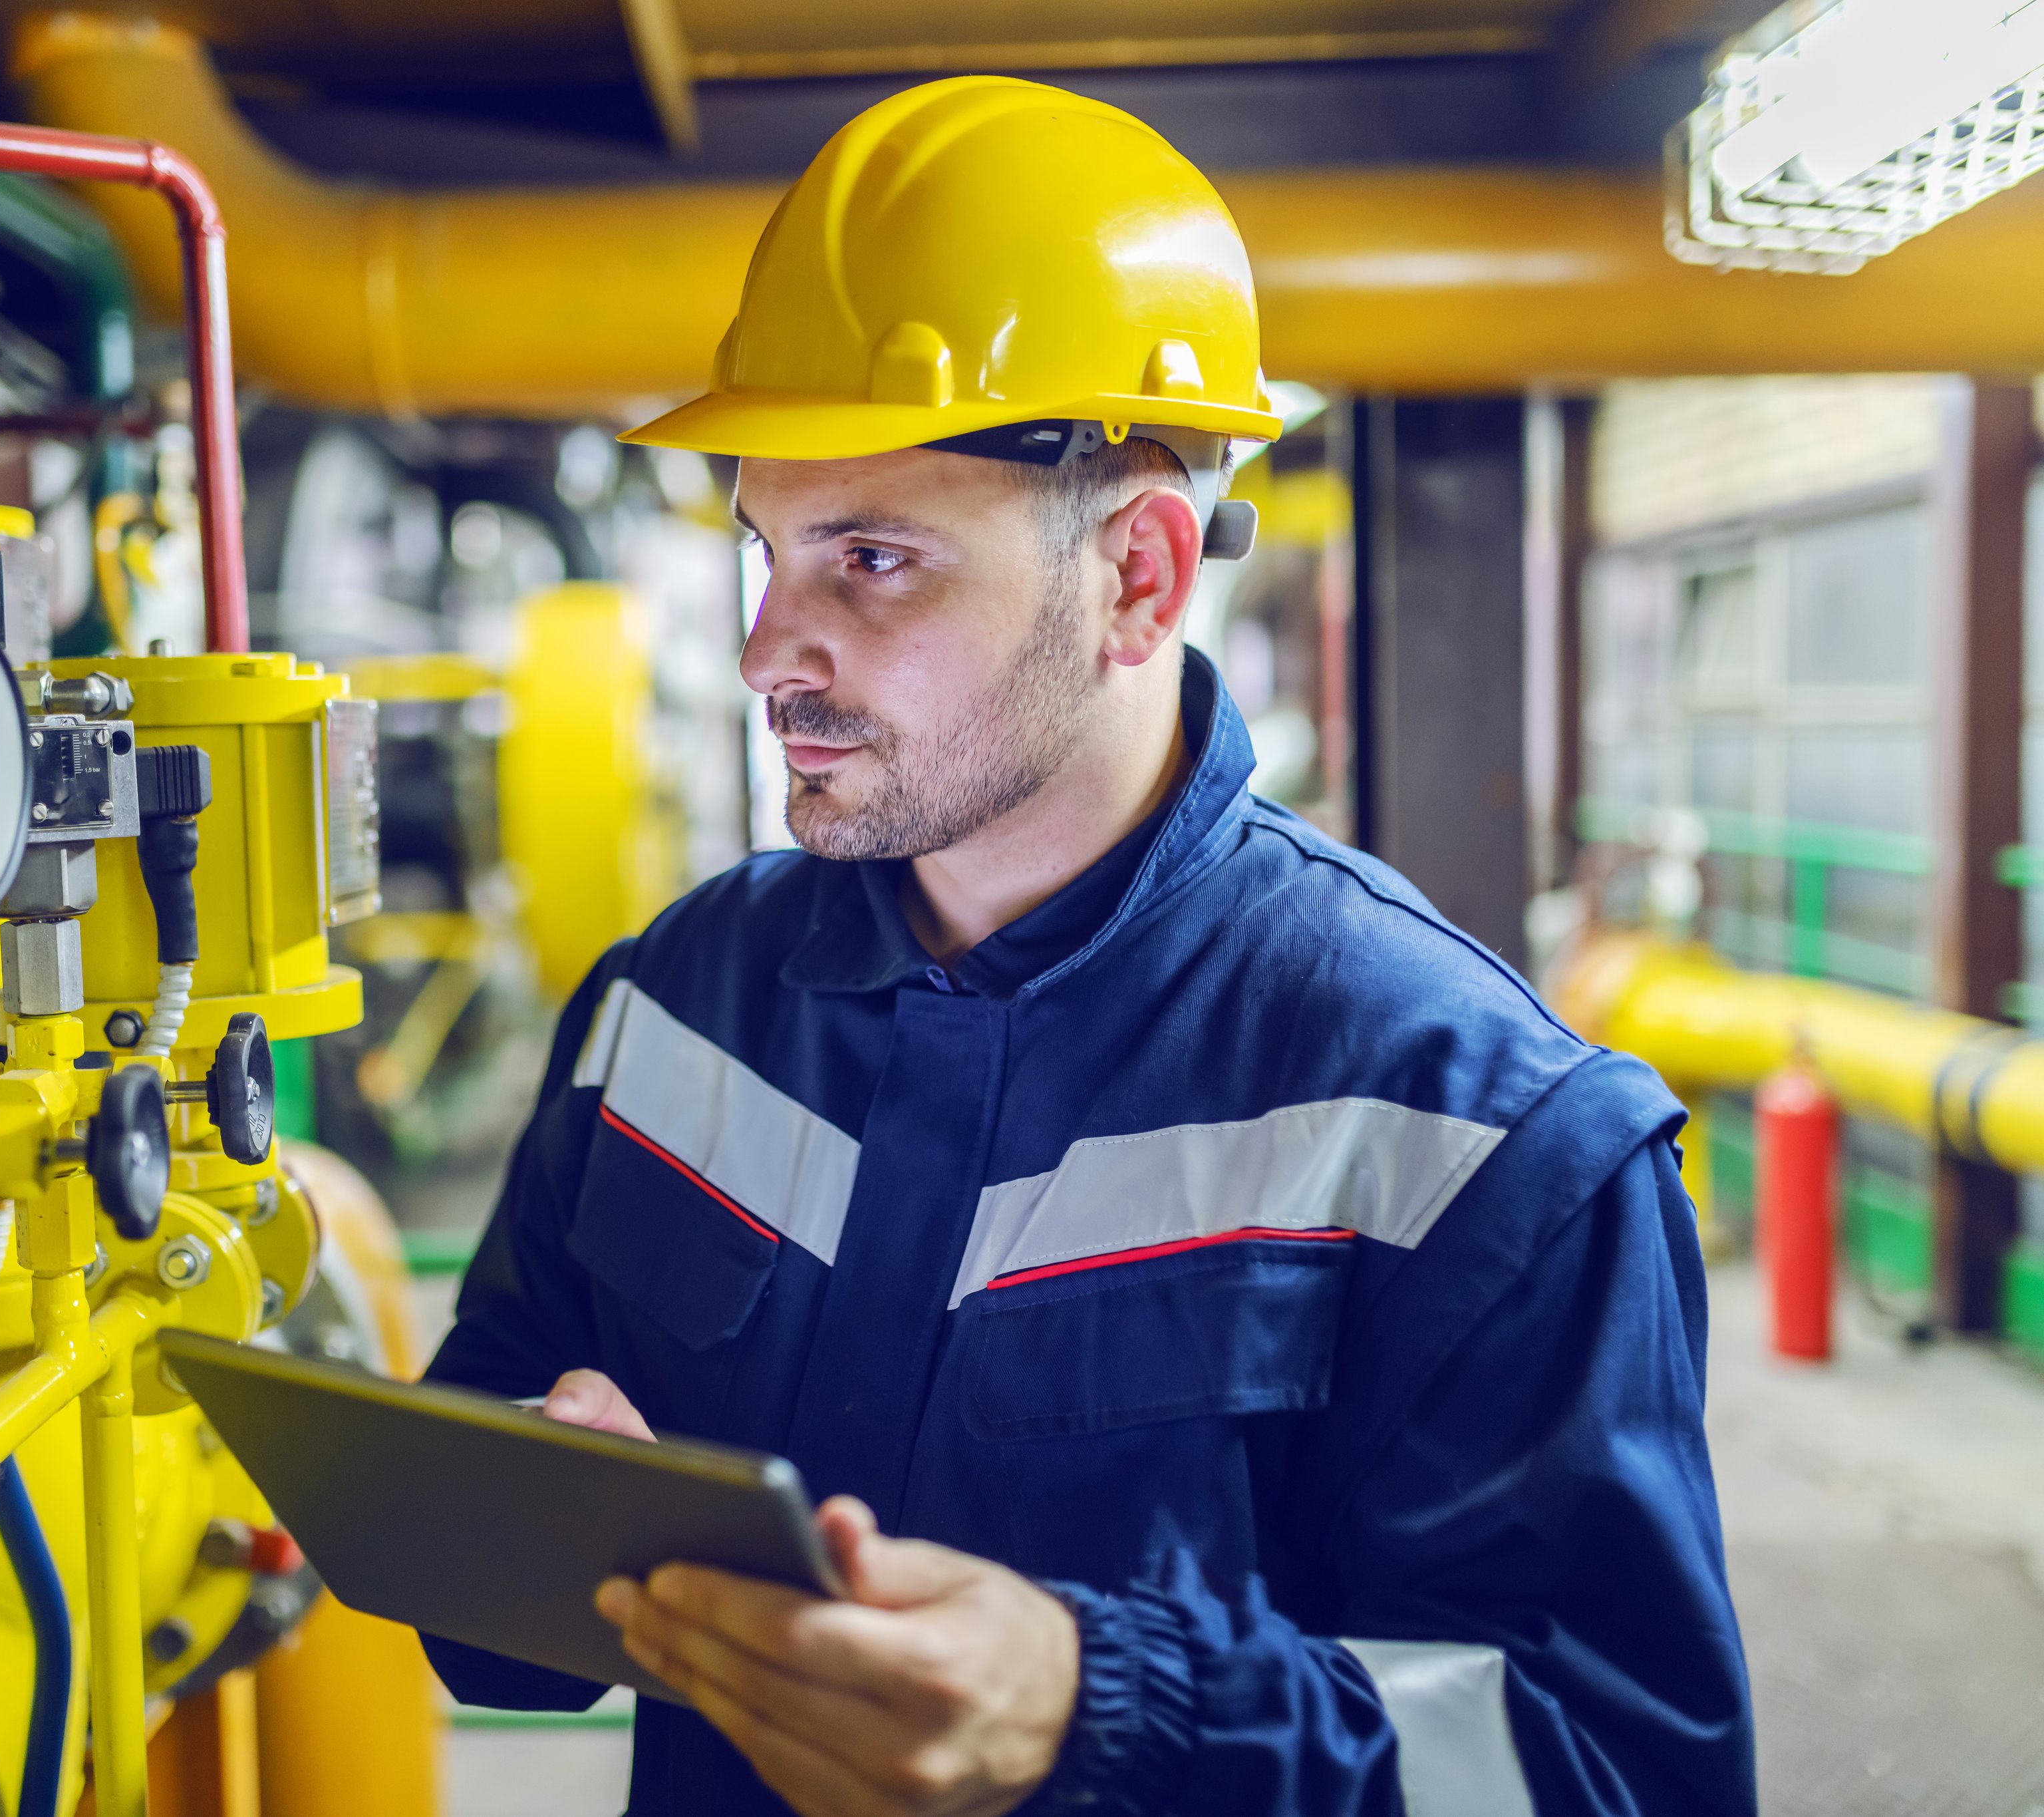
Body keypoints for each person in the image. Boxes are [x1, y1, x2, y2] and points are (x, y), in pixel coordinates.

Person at [424, 74, 1753, 1817]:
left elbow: (1616, 1772)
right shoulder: (672, 1006)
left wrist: (1099, 1712)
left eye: (873, 559)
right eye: (764, 550)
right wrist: (542, 1529)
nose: (768, 650)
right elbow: (486, 1570)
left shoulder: (1481, 1133)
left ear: (1138, 574)